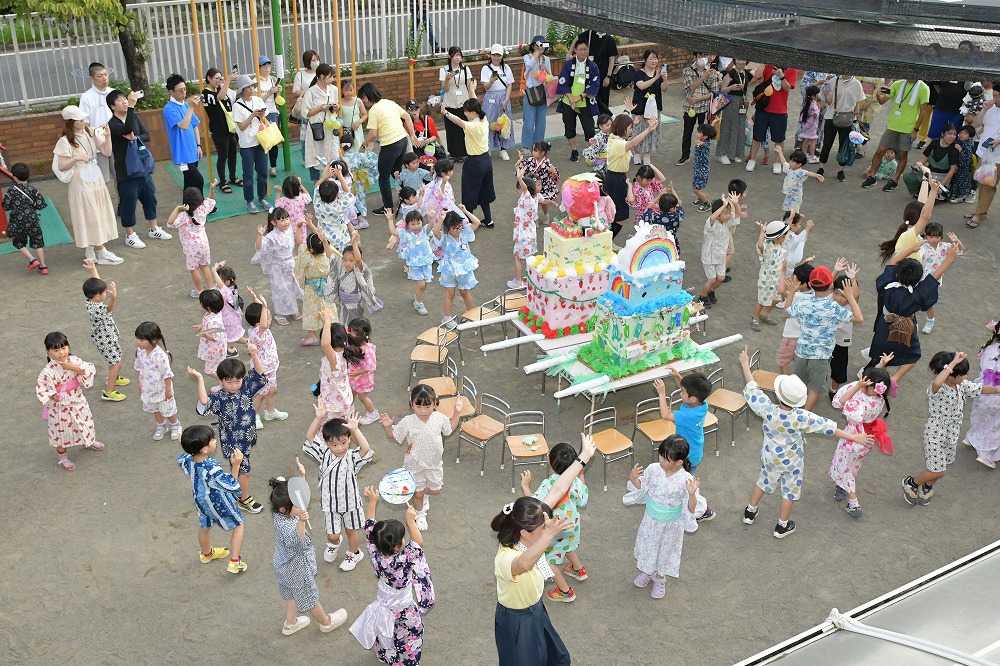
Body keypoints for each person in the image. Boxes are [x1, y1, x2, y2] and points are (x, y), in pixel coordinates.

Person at [739, 346, 874, 539]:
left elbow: (753, 388)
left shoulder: (768, 409)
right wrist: (855, 437)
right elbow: (828, 428)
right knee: (789, 492)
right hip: (792, 462)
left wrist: (745, 363)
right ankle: (781, 526)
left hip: (770, 457)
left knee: (763, 481)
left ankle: (750, 512)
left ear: (778, 394)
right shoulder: (802, 417)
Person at [491, 433, 595, 665]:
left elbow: (558, 488)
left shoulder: (530, 523)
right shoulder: (506, 558)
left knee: (558, 659)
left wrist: (583, 458)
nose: (546, 524)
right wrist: (548, 535)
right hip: (516, 621)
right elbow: (524, 564)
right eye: (542, 527)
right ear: (524, 533)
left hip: (536, 610)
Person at [350, 485, 435, 665]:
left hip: (384, 602)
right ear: (396, 547)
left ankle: (384, 654)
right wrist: (411, 521)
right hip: (403, 608)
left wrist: (372, 501)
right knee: (409, 635)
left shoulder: (375, 552)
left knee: (385, 628)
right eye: (402, 538)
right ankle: (405, 661)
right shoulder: (405, 558)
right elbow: (418, 543)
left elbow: (369, 525)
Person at [902, 351, 1000, 505]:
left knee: (942, 464)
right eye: (962, 374)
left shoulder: (961, 385)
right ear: (949, 375)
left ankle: (927, 487)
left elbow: (980, 389)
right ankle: (911, 483)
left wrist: (997, 390)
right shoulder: (938, 389)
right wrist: (953, 363)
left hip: (951, 434)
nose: (965, 377)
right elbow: (937, 382)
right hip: (935, 433)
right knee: (939, 470)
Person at [269, 466, 350, 636]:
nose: (302, 505)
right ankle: (326, 622)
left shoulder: (279, 512)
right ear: (285, 508)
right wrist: (301, 521)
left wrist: (302, 476)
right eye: (297, 506)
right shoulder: (288, 525)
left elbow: (298, 494)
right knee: (308, 597)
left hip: (283, 565)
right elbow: (297, 542)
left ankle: (290, 624)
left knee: (292, 593)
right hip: (297, 568)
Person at [188, 348, 269, 515]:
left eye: (237, 381)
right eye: (229, 382)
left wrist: (254, 354)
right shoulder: (219, 398)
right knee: (244, 472)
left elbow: (260, 374)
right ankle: (243, 499)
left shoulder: (245, 387)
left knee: (241, 469)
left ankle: (234, 492)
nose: (234, 385)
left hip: (247, 437)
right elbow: (204, 401)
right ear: (221, 380)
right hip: (232, 442)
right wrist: (200, 379)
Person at [624, 435, 706, 599]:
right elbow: (644, 488)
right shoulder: (654, 469)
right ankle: (648, 571)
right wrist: (633, 477)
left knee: (665, 550)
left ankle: (660, 578)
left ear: (679, 462)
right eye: (660, 455)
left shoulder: (686, 479)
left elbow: (691, 508)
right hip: (651, 521)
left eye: (665, 458)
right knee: (649, 546)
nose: (660, 460)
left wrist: (691, 494)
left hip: (671, 525)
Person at [868, 240, 959, 383]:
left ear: (898, 273)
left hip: (884, 327)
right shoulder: (917, 295)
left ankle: (877, 378)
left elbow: (894, 260)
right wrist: (950, 258)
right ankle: (894, 378)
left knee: (881, 355)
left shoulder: (887, 284)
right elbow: (935, 277)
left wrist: (912, 248)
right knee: (913, 356)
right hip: (906, 332)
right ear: (918, 279)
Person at [380, 384, 464, 531]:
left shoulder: (439, 418)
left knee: (435, 490)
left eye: (427, 406)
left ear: (435, 403)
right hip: (414, 464)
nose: (423, 411)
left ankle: (424, 495)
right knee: (417, 494)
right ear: (411, 404)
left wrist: (456, 412)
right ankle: (420, 514)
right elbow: (394, 435)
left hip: (434, 463)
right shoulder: (407, 421)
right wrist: (388, 427)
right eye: (418, 407)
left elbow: (450, 428)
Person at [302, 407, 374, 571]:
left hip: (351, 504)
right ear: (327, 443)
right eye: (334, 444)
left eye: (343, 442)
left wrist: (355, 429)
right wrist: (318, 418)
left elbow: (365, 448)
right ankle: (334, 544)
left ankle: (354, 553)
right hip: (330, 505)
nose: (339, 448)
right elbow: (310, 437)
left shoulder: (351, 457)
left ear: (349, 439)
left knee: (351, 531)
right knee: (332, 535)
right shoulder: (323, 454)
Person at [520, 442, 590, 603]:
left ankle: (565, 591)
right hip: (571, 527)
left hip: (554, 530)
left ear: (549, 461)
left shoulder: (548, 484)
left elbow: (535, 507)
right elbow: (583, 500)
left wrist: (525, 486)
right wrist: (580, 473)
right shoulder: (576, 482)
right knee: (567, 546)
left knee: (548, 561)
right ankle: (578, 570)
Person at [53, 105, 122, 265]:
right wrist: (76, 158)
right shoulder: (64, 141)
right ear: (71, 122)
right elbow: (62, 165)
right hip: (80, 179)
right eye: (79, 120)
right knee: (89, 213)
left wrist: (108, 135)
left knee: (96, 211)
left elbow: (107, 152)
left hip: (94, 176)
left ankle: (90, 249)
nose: (83, 121)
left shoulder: (90, 132)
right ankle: (101, 251)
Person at [787, 265, 862, 410]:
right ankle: (803, 415)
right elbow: (859, 318)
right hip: (820, 356)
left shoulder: (803, 303)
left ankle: (793, 410)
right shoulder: (833, 308)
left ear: (810, 284)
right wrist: (850, 296)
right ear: (831, 285)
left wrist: (791, 292)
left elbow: (787, 312)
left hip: (801, 352)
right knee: (815, 388)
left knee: (799, 384)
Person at [175, 424, 246, 573]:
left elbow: (187, 454)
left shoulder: (189, 459)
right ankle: (234, 562)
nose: (215, 441)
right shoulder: (211, 466)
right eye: (212, 440)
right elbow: (231, 485)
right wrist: (236, 465)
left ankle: (207, 554)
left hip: (201, 500)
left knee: (205, 526)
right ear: (204, 449)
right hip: (217, 501)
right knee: (239, 524)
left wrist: (184, 441)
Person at [830, 364, 893, 518]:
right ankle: (840, 487)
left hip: (853, 437)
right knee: (853, 466)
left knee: (844, 466)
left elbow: (838, 402)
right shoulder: (880, 399)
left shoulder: (858, 404)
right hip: (868, 438)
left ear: (870, 385)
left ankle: (853, 502)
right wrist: (880, 367)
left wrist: (858, 385)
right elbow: (870, 379)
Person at [107, 90, 169, 247]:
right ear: (113, 106)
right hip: (126, 171)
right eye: (120, 101)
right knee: (129, 203)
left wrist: (136, 138)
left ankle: (153, 228)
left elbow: (146, 135)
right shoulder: (112, 124)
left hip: (142, 167)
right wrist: (132, 108)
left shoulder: (133, 117)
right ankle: (130, 235)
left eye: (125, 99)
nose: (125, 102)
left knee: (150, 198)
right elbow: (127, 129)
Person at [36, 331, 102, 471]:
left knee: (85, 421)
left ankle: (88, 441)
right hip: (60, 406)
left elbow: (89, 369)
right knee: (61, 432)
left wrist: (75, 368)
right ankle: (62, 458)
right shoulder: (48, 370)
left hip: (77, 399)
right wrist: (52, 394)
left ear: (68, 347)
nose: (61, 353)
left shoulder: (74, 361)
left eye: (64, 348)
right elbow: (42, 386)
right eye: (56, 350)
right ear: (48, 351)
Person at [359, 82, 421, 215]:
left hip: (390, 145)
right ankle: (410, 197)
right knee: (396, 171)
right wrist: (412, 135)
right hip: (402, 141)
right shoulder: (389, 102)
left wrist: (363, 145)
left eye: (363, 98)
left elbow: (372, 133)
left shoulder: (374, 110)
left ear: (368, 96)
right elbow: (407, 117)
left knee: (384, 177)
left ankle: (388, 208)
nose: (363, 101)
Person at [862, 79, 931, 192]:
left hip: (908, 128)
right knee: (880, 151)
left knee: (903, 155)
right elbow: (883, 101)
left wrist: (915, 130)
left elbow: (923, 111)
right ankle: (872, 176)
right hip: (892, 126)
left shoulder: (924, 88)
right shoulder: (897, 84)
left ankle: (894, 180)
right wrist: (879, 95)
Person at [441, 99, 496, 227]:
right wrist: (471, 90)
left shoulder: (472, 126)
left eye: (466, 111)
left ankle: (468, 222)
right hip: (486, 161)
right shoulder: (484, 120)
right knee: (484, 191)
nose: (464, 113)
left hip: (474, 162)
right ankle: (488, 220)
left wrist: (446, 113)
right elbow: (475, 103)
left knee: (469, 192)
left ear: (472, 112)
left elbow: (459, 122)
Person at [604, 113, 657, 240]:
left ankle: (606, 241)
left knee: (613, 214)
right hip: (616, 180)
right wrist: (649, 129)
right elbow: (632, 143)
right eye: (630, 128)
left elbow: (620, 127)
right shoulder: (618, 144)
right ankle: (606, 242)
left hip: (614, 178)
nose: (631, 130)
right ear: (623, 129)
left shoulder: (613, 138)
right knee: (620, 217)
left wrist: (630, 116)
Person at [82, 259, 128, 402]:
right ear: (98, 296)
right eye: (104, 293)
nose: (106, 294)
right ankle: (109, 391)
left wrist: (93, 269)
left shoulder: (92, 300)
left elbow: (98, 283)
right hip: (105, 340)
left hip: (107, 337)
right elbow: (109, 308)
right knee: (116, 362)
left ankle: (113, 377)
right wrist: (114, 297)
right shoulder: (97, 308)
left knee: (115, 358)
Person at [652, 369, 712, 478]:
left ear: (693, 398)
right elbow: (690, 390)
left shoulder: (690, 416)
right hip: (695, 450)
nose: (680, 393)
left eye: (682, 391)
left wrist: (661, 393)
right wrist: (677, 376)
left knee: (682, 480)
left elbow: (666, 415)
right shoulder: (702, 404)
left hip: (687, 456)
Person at [252, 207, 304, 325]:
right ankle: (280, 313)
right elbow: (260, 248)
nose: (286, 222)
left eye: (287, 218)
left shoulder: (289, 229)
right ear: (273, 223)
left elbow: (292, 246)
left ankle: (293, 309)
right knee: (279, 289)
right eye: (282, 220)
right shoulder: (271, 236)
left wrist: (294, 258)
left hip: (289, 263)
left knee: (291, 287)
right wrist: (260, 235)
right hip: (277, 267)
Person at [244, 288, 287, 427]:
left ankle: (270, 412)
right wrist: (264, 305)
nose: (269, 320)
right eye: (267, 318)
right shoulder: (258, 332)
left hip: (271, 367)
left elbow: (263, 315)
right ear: (258, 323)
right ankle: (254, 416)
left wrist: (256, 300)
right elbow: (263, 322)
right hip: (262, 369)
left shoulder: (259, 328)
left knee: (272, 390)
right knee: (261, 394)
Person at [745, 64, 798, 175]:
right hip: (763, 108)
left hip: (780, 110)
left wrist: (781, 76)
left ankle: (777, 163)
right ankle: (752, 159)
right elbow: (758, 75)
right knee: (757, 136)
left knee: (779, 139)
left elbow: (788, 88)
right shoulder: (769, 65)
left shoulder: (792, 69)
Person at [432, 209, 481, 327]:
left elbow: (477, 223)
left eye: (460, 227)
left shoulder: (464, 233)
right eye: (455, 228)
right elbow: (435, 231)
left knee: (465, 293)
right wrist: (442, 220)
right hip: (449, 269)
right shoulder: (444, 237)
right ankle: (447, 318)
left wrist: (464, 211)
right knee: (450, 294)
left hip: (464, 269)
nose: (458, 230)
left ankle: (470, 315)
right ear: (448, 228)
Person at [555, 41, 600, 163]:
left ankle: (592, 152)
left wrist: (579, 97)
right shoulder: (569, 64)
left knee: (589, 128)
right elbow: (563, 81)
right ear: (575, 50)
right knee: (569, 127)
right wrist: (571, 99)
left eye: (585, 49)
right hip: (568, 102)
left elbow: (595, 85)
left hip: (584, 102)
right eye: (580, 49)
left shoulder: (593, 66)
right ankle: (574, 150)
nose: (583, 52)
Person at [231, 74, 271, 214]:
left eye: (251, 86)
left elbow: (264, 121)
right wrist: (252, 115)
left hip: (261, 140)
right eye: (248, 87)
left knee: (262, 172)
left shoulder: (258, 100)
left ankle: (262, 197)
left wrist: (261, 117)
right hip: (247, 144)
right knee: (248, 174)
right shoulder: (237, 106)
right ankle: (249, 200)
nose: (251, 89)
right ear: (242, 90)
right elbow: (241, 126)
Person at [134, 321, 179, 441]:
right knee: (154, 408)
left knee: (167, 409)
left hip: (162, 389)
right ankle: (161, 425)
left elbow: (167, 374)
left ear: (153, 340)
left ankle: (175, 425)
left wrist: (168, 390)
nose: (138, 342)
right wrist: (139, 382)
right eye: (137, 339)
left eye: (141, 340)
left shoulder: (160, 356)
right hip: (148, 388)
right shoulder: (140, 351)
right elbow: (139, 367)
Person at [327, 229, 383, 324]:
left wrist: (354, 244)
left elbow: (358, 260)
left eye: (350, 260)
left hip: (355, 306)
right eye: (345, 260)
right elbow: (330, 256)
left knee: (355, 327)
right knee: (343, 325)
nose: (347, 263)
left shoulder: (359, 268)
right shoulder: (341, 265)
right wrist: (324, 241)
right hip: (343, 304)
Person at [3, 162, 48, 274]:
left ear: (13, 176)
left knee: (18, 242)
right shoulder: (33, 190)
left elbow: (6, 206)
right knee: (38, 243)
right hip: (33, 220)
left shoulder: (11, 191)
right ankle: (43, 267)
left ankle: (32, 260)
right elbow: (41, 205)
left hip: (17, 222)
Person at [816, 74, 864, 182]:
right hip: (831, 117)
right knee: (827, 143)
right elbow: (828, 102)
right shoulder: (833, 81)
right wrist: (826, 93)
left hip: (848, 118)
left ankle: (841, 170)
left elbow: (857, 103)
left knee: (844, 145)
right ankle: (821, 167)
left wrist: (856, 116)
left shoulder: (857, 84)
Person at [918, 223, 964, 334]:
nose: (934, 239)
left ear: (941, 237)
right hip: (919, 279)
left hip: (934, 281)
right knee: (914, 301)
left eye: (937, 237)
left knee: (929, 303)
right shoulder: (922, 247)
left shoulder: (945, 246)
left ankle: (930, 321)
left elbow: (961, 250)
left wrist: (956, 241)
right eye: (931, 237)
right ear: (926, 236)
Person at [163, 73, 205, 193]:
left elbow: (194, 126)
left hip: (192, 150)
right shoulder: (169, 108)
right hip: (182, 154)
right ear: (171, 92)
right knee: (198, 180)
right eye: (180, 90)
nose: (184, 92)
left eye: (185, 89)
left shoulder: (185, 105)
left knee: (189, 182)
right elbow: (184, 125)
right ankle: (200, 206)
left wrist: (198, 145)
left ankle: (189, 207)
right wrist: (191, 107)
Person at [966, 322, 1000, 467]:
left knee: (980, 417)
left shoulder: (991, 348)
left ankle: (970, 437)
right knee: (994, 426)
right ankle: (986, 454)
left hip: (981, 389)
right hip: (996, 396)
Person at [202, 68, 240, 194]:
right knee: (222, 156)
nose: (219, 81)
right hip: (218, 130)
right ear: (209, 78)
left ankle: (233, 177)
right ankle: (223, 182)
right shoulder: (206, 93)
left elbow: (229, 100)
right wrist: (227, 80)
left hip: (229, 127)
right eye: (216, 79)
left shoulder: (221, 89)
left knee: (233, 153)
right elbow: (219, 97)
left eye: (220, 78)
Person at [966, 84, 1000, 228]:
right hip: (985, 151)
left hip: (997, 155)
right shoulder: (991, 107)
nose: (994, 99)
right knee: (983, 180)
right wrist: (985, 109)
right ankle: (981, 212)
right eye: (994, 95)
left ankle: (979, 214)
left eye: (997, 96)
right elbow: (975, 124)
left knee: (989, 184)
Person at [698, 194, 739, 308]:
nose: (728, 215)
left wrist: (735, 204)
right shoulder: (711, 224)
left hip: (720, 257)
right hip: (709, 257)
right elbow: (712, 217)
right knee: (711, 280)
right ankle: (702, 297)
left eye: (729, 212)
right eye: (725, 213)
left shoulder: (726, 223)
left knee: (720, 278)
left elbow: (738, 216)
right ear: (718, 212)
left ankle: (710, 292)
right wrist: (724, 205)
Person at [628, 50, 668, 166]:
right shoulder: (639, 73)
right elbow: (641, 86)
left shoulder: (658, 74)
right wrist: (656, 77)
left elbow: (664, 89)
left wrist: (665, 79)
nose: (654, 61)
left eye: (655, 58)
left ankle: (646, 153)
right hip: (640, 107)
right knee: (638, 130)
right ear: (645, 60)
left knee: (651, 131)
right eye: (651, 58)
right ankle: (636, 153)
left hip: (653, 109)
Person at [678, 53, 719, 166]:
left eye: (705, 55)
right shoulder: (687, 70)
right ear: (695, 56)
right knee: (687, 132)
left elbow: (714, 92)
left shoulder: (712, 72)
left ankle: (702, 158)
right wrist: (704, 76)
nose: (703, 58)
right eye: (700, 55)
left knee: (705, 135)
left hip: (705, 108)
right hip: (690, 108)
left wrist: (699, 98)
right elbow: (691, 87)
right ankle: (685, 156)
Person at [78, 62, 116, 183]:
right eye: (100, 76)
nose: (104, 78)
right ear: (92, 78)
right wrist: (96, 140)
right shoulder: (86, 97)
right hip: (99, 144)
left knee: (120, 177)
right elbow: (85, 124)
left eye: (106, 74)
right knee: (102, 179)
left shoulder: (114, 93)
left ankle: (123, 202)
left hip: (116, 141)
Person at [302, 63, 341, 182]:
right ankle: (316, 182)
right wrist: (320, 108)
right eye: (330, 77)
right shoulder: (311, 92)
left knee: (334, 154)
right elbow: (305, 113)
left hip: (330, 126)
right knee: (315, 155)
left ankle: (334, 181)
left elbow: (337, 107)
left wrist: (336, 107)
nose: (332, 79)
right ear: (322, 77)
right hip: (316, 128)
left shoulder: (334, 90)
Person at [318, 313, 361, 419]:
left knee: (335, 432)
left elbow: (325, 344)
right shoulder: (345, 352)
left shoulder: (335, 359)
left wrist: (327, 322)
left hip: (335, 405)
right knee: (346, 429)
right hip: (342, 399)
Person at [295, 225, 333, 346]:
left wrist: (299, 228)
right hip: (325, 287)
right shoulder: (325, 257)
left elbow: (299, 242)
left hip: (311, 290)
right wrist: (324, 240)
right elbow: (330, 252)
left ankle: (313, 337)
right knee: (327, 309)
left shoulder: (306, 257)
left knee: (310, 312)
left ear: (311, 250)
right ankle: (329, 332)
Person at [775, 263, 815, 375]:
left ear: (804, 283)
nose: (793, 280)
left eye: (795, 279)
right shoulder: (815, 296)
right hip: (806, 337)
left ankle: (785, 383)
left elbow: (781, 292)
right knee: (801, 364)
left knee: (783, 361)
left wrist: (783, 272)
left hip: (791, 336)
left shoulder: (798, 296)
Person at [439, 46, 477, 161]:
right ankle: (453, 154)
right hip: (449, 103)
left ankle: (465, 153)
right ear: (449, 56)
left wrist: (472, 103)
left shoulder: (466, 69)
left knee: (464, 128)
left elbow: (470, 86)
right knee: (451, 130)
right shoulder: (444, 70)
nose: (458, 57)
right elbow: (444, 89)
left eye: (459, 55)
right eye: (455, 55)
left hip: (463, 103)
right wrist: (447, 79)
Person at [902, 124, 960, 197]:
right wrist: (917, 167)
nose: (952, 137)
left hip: (942, 177)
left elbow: (953, 169)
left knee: (932, 197)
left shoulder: (954, 150)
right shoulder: (935, 142)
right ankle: (918, 191)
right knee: (908, 176)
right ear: (942, 134)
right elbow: (925, 158)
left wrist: (941, 185)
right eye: (949, 133)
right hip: (929, 173)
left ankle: (928, 192)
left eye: (954, 134)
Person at [751, 220, 789, 332]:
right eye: (783, 236)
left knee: (777, 299)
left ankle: (765, 314)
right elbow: (760, 245)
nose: (785, 238)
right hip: (766, 280)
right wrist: (762, 233)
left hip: (777, 279)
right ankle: (755, 318)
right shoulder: (767, 245)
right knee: (762, 300)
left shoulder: (778, 244)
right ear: (777, 237)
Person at [510, 170, 545, 289]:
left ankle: (519, 282)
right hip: (530, 234)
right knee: (529, 259)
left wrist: (520, 178)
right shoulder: (535, 198)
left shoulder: (527, 198)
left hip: (522, 235)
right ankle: (529, 279)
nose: (519, 191)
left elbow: (525, 188)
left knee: (517, 257)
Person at [481, 45, 516, 160]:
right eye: (494, 55)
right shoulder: (486, 69)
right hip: (491, 97)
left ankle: (503, 149)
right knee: (489, 122)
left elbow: (510, 84)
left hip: (503, 97)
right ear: (490, 55)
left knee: (504, 123)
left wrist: (506, 99)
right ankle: (488, 148)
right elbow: (485, 87)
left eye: (498, 55)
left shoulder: (506, 68)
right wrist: (491, 81)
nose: (496, 58)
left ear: (502, 56)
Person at [574, 29, 618, 116]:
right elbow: (577, 38)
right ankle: (605, 118)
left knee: (603, 98)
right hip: (591, 72)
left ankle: (605, 119)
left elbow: (612, 60)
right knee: (593, 96)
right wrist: (569, 52)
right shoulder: (590, 34)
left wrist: (608, 76)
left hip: (604, 73)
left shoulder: (610, 39)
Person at [717, 58, 752, 164]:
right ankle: (722, 153)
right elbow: (722, 90)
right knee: (727, 126)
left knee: (740, 127)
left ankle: (737, 153)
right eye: (738, 60)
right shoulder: (730, 74)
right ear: (734, 60)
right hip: (730, 101)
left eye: (743, 60)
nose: (741, 62)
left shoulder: (747, 73)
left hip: (742, 102)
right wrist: (732, 87)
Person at [521, 36, 552, 149]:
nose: (542, 47)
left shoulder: (546, 59)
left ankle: (538, 146)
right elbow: (528, 65)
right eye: (540, 44)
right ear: (534, 45)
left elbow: (550, 77)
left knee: (541, 124)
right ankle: (526, 147)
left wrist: (545, 69)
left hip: (543, 94)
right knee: (528, 123)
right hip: (530, 94)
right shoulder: (527, 57)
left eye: (544, 44)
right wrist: (536, 53)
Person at [774, 146, 824, 213]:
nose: (790, 162)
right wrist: (780, 152)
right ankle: (786, 220)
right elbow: (783, 162)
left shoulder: (800, 172)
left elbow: (808, 173)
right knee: (787, 209)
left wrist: (816, 175)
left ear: (799, 164)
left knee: (794, 211)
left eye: (792, 161)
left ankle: (794, 222)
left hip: (796, 196)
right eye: (791, 160)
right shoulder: (789, 168)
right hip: (789, 194)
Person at [256, 55, 284, 176]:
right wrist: (269, 93)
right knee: (262, 141)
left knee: (273, 141)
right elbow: (257, 100)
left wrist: (278, 92)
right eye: (264, 66)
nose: (267, 68)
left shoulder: (272, 79)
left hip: (272, 112)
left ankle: (273, 166)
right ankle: (261, 167)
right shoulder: (256, 82)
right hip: (261, 113)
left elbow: (277, 99)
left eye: (268, 66)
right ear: (259, 68)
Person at [347, 318, 379, 424]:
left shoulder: (367, 350)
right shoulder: (358, 342)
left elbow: (371, 366)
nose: (349, 332)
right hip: (355, 377)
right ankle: (348, 408)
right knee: (352, 392)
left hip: (363, 379)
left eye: (352, 331)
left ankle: (373, 413)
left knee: (362, 397)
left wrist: (357, 373)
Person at [213, 262, 248, 357]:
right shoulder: (232, 287)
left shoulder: (226, 291)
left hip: (229, 319)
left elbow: (220, 285)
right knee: (230, 336)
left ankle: (248, 343)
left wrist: (214, 270)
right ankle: (231, 350)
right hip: (233, 317)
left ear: (226, 280)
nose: (217, 281)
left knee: (232, 337)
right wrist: (222, 268)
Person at [290, 49, 321, 157]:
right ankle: (306, 156)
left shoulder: (321, 73)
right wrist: (308, 91)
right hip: (306, 109)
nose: (316, 62)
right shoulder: (301, 75)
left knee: (319, 131)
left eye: (317, 60)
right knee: (306, 133)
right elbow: (295, 91)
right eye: (313, 60)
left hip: (319, 108)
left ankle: (318, 154)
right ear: (307, 61)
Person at [194, 289, 226, 380]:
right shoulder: (215, 313)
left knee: (209, 370)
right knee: (217, 367)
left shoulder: (213, 321)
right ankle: (222, 383)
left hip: (214, 349)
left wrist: (205, 334)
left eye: (201, 302)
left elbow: (215, 337)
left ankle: (223, 382)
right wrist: (202, 326)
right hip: (217, 347)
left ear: (207, 307)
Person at [274, 175, 313, 245]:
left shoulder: (283, 200)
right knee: (303, 242)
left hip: (288, 224)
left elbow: (277, 205)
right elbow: (308, 196)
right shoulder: (302, 197)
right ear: (298, 188)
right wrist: (301, 185)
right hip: (301, 223)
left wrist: (278, 192)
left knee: (288, 243)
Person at [691, 123, 716, 210]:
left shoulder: (704, 145)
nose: (696, 133)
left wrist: (700, 144)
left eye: (699, 132)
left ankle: (706, 203)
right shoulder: (707, 140)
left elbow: (703, 145)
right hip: (700, 169)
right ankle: (701, 199)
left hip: (701, 171)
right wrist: (712, 124)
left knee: (696, 189)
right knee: (698, 186)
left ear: (705, 136)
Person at [339, 79, 367, 154]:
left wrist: (358, 122)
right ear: (342, 91)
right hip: (345, 130)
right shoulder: (339, 102)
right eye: (346, 90)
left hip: (356, 130)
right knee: (346, 149)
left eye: (351, 90)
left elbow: (365, 114)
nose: (349, 93)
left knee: (357, 146)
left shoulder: (358, 101)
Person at [798, 85, 821, 162]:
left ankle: (804, 155)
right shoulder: (814, 105)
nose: (819, 94)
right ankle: (812, 156)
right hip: (812, 126)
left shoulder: (808, 102)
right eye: (818, 93)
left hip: (806, 125)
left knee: (806, 140)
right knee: (813, 140)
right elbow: (815, 115)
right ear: (813, 95)